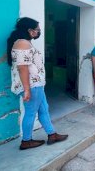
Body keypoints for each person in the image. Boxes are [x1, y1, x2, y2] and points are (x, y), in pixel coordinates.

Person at [7, 17, 68, 150]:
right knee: (31, 112)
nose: (39, 32)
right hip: (31, 86)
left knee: (44, 109)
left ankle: (52, 134)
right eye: (38, 30)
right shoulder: (22, 43)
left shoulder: (24, 42)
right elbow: (22, 67)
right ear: (30, 30)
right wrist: (27, 90)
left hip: (36, 85)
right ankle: (26, 141)